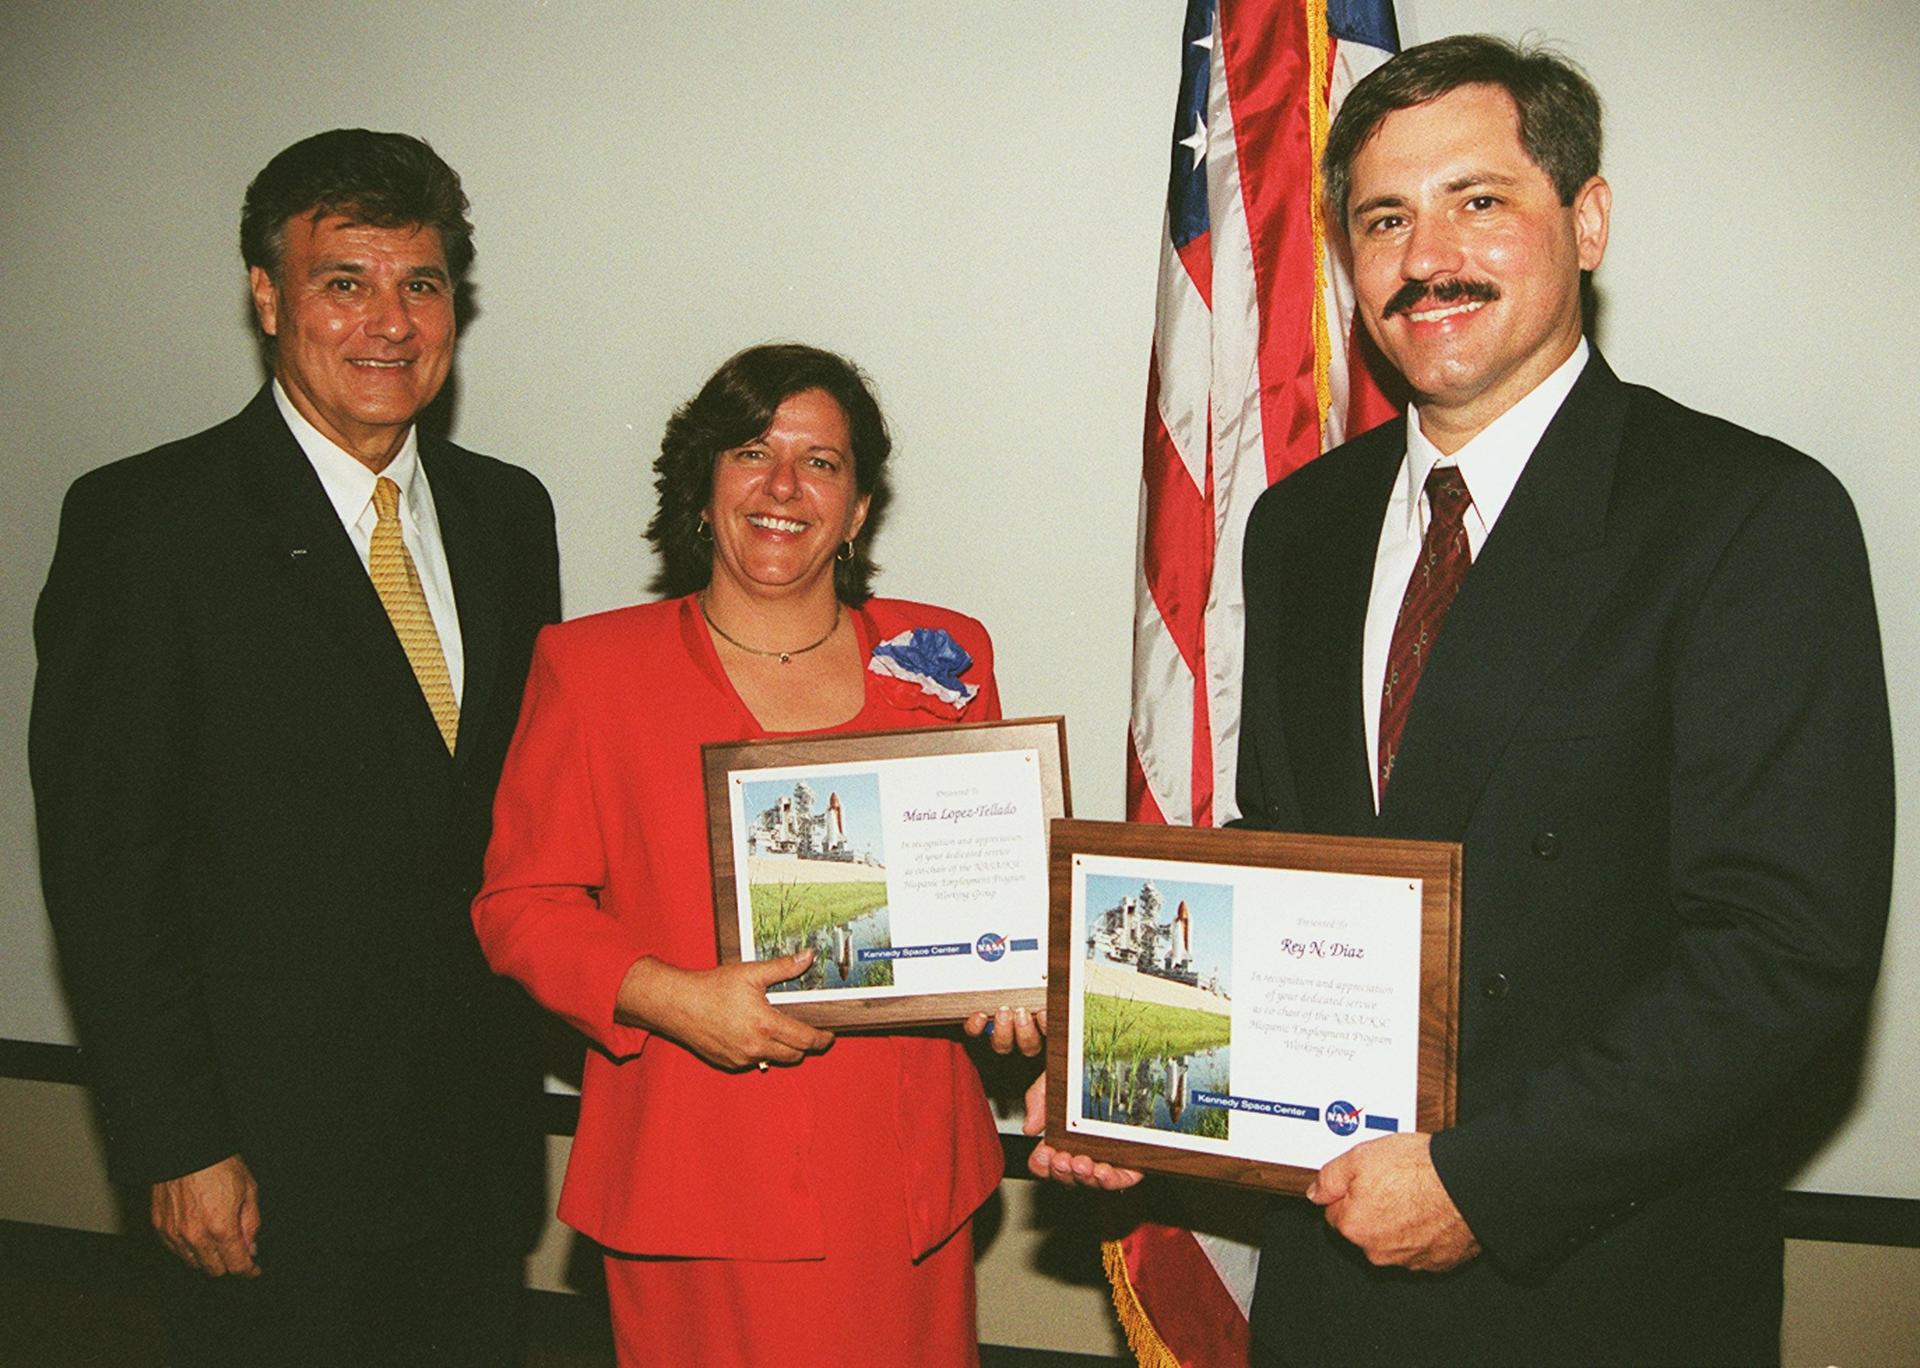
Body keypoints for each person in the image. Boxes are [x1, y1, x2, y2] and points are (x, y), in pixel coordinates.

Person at [1034, 34, 1894, 1365]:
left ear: (1588, 220)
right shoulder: (1300, 527)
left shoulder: (1746, 517)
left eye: (1477, 201)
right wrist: (1146, 1081)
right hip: (1334, 1288)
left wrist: (1490, 1183)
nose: (1427, 257)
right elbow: (1293, 864)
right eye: (1385, 218)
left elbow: (1784, 954)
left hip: (1602, 1287)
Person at [30, 129, 560, 1367]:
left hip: (473, 1159)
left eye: (420, 283)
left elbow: (516, 814)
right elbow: (109, 871)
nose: (389, 322)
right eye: (344, 281)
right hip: (267, 1170)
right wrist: (177, 1142)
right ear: (268, 297)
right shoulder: (147, 523)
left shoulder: (506, 513)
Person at [472, 342, 1035, 1368]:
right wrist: (665, 995)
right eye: (749, 453)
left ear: (858, 510)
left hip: (905, 1175)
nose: (783, 487)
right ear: (703, 489)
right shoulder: (592, 668)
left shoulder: (943, 657)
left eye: (820, 462)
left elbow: (993, 883)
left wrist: (1018, 977)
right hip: (700, 1164)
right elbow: (521, 904)